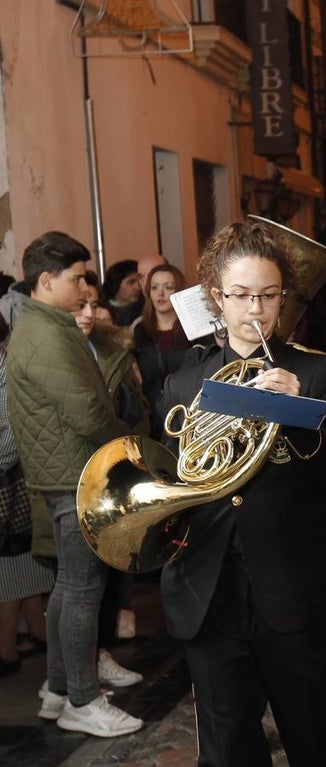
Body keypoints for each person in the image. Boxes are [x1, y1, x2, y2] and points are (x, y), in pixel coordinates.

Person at [157, 220, 326, 766]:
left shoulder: (316, 374)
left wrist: (297, 418)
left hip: (293, 588)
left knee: (316, 739)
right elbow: (174, 481)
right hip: (210, 591)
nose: (255, 309)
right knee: (227, 750)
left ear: (283, 297)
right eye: (240, 295)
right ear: (216, 298)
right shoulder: (183, 385)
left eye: (268, 295)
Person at [7, 231, 141, 736]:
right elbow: (86, 409)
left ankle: (59, 689)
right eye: (78, 278)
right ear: (46, 281)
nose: (87, 289)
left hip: (65, 471)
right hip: (72, 474)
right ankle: (84, 701)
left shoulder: (45, 324)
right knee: (84, 589)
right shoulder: (44, 332)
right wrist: (127, 447)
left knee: (69, 587)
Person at [73, 278, 147, 684]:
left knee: (113, 571)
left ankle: (99, 656)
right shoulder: (64, 354)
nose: (89, 313)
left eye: (94, 305)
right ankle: (82, 669)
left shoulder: (113, 351)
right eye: (79, 306)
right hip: (83, 474)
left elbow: (136, 406)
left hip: (119, 467)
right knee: (83, 584)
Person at [0, 314, 52, 678]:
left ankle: (5, 651)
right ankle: (38, 632)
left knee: (12, 565)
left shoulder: (4, 372)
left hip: (10, 484)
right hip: (16, 485)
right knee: (22, 565)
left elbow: (8, 443)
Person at [133, 264, 192, 435]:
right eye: (154, 287)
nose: (160, 294)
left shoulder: (192, 332)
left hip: (185, 415)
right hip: (150, 418)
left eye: (168, 287)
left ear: (179, 291)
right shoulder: (140, 331)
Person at [102, 260, 143, 327]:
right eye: (131, 282)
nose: (138, 287)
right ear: (116, 284)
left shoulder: (145, 306)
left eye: (139, 281)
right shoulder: (102, 309)